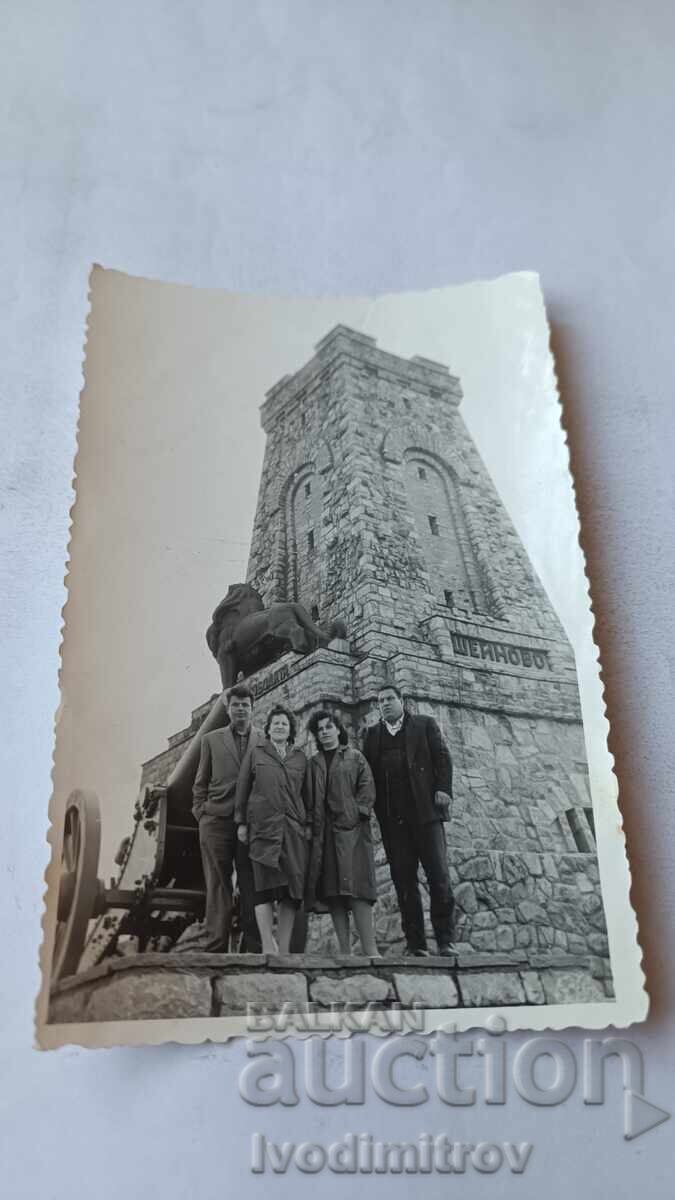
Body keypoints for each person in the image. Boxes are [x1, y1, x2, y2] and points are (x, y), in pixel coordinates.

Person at [363, 684, 456, 957]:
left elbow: (442, 757)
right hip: (395, 823)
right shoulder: (372, 736)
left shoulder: (424, 725)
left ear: (401, 701)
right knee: (404, 882)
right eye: (381, 701)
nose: (386, 704)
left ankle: (446, 940)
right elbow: (367, 776)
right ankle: (416, 944)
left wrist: (443, 789)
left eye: (390, 699)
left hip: (426, 816)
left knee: (439, 876)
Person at [192, 684, 264, 952]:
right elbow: (199, 782)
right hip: (216, 822)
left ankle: (253, 946)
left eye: (245, 705)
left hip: (251, 822)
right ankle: (215, 945)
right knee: (218, 882)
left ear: (252, 708)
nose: (240, 709)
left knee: (251, 882)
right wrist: (201, 812)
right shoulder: (211, 740)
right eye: (235, 705)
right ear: (228, 708)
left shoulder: (263, 740)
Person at [235, 704, 310, 954]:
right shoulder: (256, 753)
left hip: (292, 831)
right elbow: (243, 789)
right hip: (263, 830)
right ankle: (268, 945)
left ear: (290, 730)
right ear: (268, 728)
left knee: (291, 892)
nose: (279, 726)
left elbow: (307, 795)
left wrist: (306, 824)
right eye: (275, 723)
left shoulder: (300, 757)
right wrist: (242, 823)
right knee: (263, 889)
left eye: (284, 723)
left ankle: (285, 949)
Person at [306, 710, 379, 957]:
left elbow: (367, 788)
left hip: (353, 834)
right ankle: (345, 951)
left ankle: (370, 950)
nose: (325, 732)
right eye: (320, 729)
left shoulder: (354, 757)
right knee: (333, 891)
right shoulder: (313, 763)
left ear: (338, 729)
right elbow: (307, 798)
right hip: (324, 836)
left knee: (358, 888)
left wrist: (355, 814)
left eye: (329, 727)